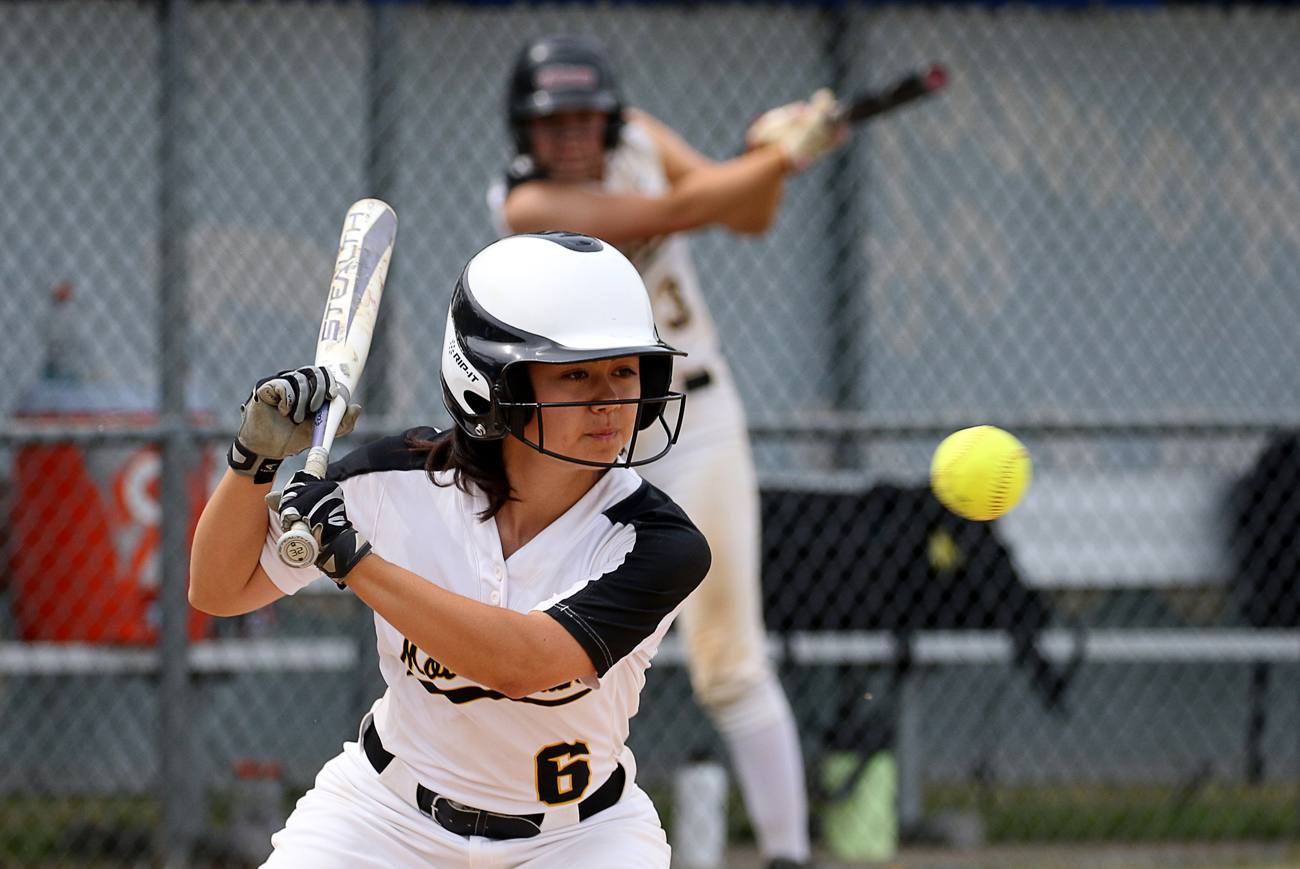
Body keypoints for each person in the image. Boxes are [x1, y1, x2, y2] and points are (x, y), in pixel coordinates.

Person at [190, 231, 712, 869]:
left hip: (578, 840)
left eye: (625, 371)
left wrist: (355, 562)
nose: (609, 400)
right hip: (384, 817)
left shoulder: (659, 542)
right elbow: (218, 591)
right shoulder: (393, 481)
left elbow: (519, 664)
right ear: (490, 383)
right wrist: (256, 461)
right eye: (575, 373)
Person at [487, 34, 849, 869]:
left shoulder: (642, 138)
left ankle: (788, 855)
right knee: (562, 655)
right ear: (524, 131)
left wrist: (770, 158)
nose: (572, 135)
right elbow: (673, 214)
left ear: (610, 116)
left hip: (699, 422)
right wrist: (776, 156)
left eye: (585, 116)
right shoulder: (527, 206)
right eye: (552, 121)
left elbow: (746, 215)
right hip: (585, 450)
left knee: (729, 660)